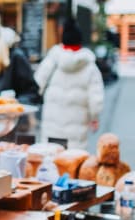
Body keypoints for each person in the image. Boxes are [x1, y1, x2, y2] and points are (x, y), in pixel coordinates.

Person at [35, 19, 103, 149]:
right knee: (74, 160)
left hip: (52, 126)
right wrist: (94, 117)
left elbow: (37, 84)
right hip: (76, 129)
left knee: (52, 160)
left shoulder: (52, 59)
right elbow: (96, 98)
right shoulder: (90, 66)